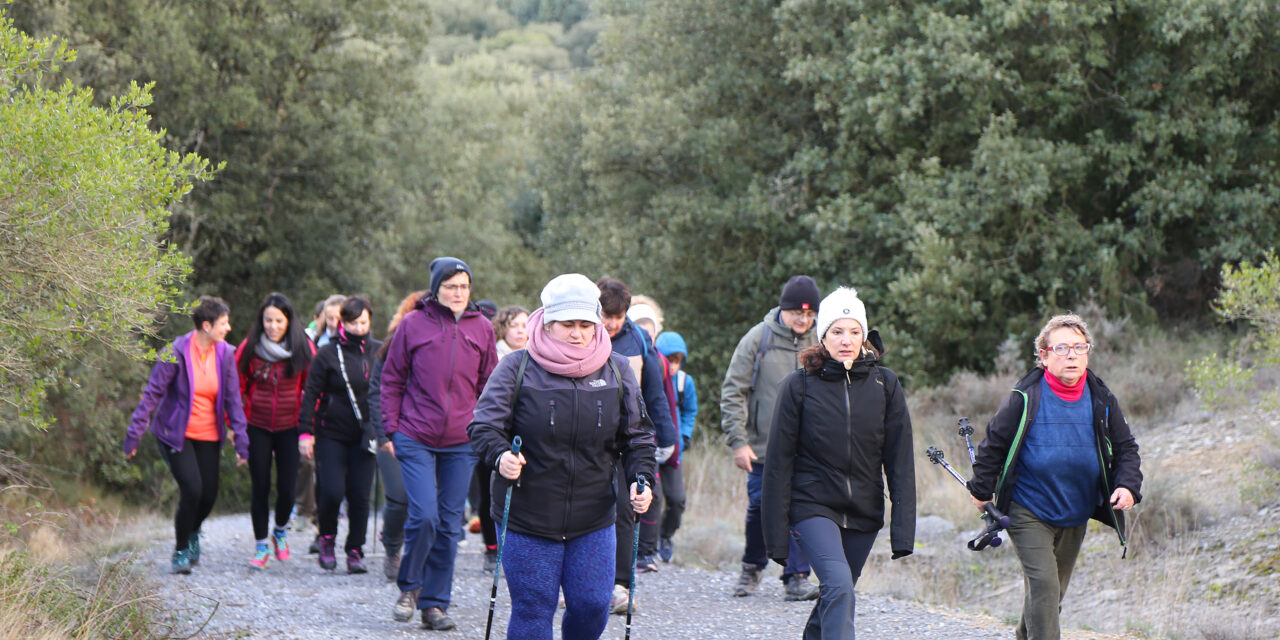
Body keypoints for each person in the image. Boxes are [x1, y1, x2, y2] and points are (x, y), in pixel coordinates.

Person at [468, 274, 657, 640]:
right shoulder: (517, 367)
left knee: (591, 607)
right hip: (528, 516)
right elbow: (482, 428)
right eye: (567, 325)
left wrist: (642, 479)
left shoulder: (617, 370)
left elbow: (638, 437)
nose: (577, 333)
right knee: (533, 610)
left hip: (594, 516)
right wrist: (501, 455)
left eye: (586, 324)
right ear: (547, 322)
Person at [968, 314, 1142, 640]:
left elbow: (1126, 448)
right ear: (1044, 355)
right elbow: (993, 443)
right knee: (1045, 585)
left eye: (1079, 347)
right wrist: (982, 490)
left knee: (1050, 594)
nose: (1072, 355)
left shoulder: (1101, 399)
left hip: (1075, 510)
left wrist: (1127, 485)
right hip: (1027, 507)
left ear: (1088, 353)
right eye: (1061, 348)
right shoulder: (1024, 397)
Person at [762, 287, 916, 639]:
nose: (846, 340)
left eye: (854, 331)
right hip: (812, 505)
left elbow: (900, 461)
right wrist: (775, 536)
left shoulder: (885, 384)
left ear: (864, 335)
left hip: (864, 510)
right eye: (837, 331)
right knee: (840, 587)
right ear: (823, 336)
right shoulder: (798, 386)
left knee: (837, 594)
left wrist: (903, 530)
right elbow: (778, 464)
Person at [382, 257, 499, 631]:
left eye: (464, 286)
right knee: (425, 515)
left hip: (461, 442)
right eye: (451, 286)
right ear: (436, 289)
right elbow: (391, 379)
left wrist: (485, 428)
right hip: (415, 435)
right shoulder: (413, 325)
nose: (458, 293)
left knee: (450, 526)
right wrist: (391, 428)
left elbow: (490, 385)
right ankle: (409, 587)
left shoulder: (481, 328)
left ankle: (434, 605)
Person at [124, 296, 249, 574]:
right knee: (192, 489)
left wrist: (242, 440)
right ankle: (181, 550)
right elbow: (151, 395)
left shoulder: (225, 354)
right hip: (175, 433)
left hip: (209, 434)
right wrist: (134, 434)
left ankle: (193, 532)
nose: (228, 328)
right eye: (223, 323)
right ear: (207, 326)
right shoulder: (176, 351)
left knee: (209, 495)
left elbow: (233, 399)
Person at [720, 275, 823, 600]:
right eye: (797, 313)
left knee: (802, 509)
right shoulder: (758, 338)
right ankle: (752, 567)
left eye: (809, 315)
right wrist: (738, 441)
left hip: (808, 449)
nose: (803, 320)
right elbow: (733, 391)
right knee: (761, 507)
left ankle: (797, 577)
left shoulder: (823, 340)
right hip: (762, 448)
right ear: (783, 309)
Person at [596, 277, 678, 613]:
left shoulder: (640, 339)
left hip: (628, 436)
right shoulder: (583, 335)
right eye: (606, 315)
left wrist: (666, 436)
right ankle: (578, 580)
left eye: (618, 316)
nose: (612, 323)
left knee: (626, 507)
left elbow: (655, 393)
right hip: (588, 436)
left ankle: (621, 586)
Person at [298, 295, 381, 574]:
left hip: (366, 435)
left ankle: (355, 550)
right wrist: (305, 433)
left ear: (370, 321)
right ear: (342, 323)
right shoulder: (327, 354)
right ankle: (327, 538)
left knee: (359, 495)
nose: (359, 328)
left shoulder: (379, 352)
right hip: (331, 433)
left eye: (363, 322)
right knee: (331, 491)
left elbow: (389, 391)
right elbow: (310, 394)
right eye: (353, 323)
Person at [234, 292, 316, 570]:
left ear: (288, 321)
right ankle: (260, 546)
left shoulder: (303, 348)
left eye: (278, 321)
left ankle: (280, 531)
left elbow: (313, 390)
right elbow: (237, 389)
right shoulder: (249, 348)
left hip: (290, 426)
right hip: (256, 425)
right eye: (268, 320)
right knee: (260, 486)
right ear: (261, 321)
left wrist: (309, 426)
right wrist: (235, 427)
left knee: (287, 488)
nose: (272, 326)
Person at [368, 289, 427, 581]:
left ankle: (422, 557)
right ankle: (392, 546)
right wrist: (384, 436)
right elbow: (377, 394)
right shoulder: (391, 346)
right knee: (399, 497)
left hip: (428, 435)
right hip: (393, 432)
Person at [471, 304, 531, 573]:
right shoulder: (492, 355)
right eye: (514, 325)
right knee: (489, 489)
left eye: (524, 325)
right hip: (495, 431)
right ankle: (492, 547)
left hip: (526, 432)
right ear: (503, 329)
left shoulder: (540, 357)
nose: (520, 331)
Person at [625, 296, 679, 573]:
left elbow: (663, 400)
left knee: (651, 493)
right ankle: (629, 555)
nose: (646, 330)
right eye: (640, 324)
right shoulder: (623, 347)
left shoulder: (658, 360)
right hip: (626, 431)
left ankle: (645, 552)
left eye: (650, 325)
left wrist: (669, 437)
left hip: (650, 434)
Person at [296, 293, 347, 549]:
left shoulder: (356, 345)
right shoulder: (314, 343)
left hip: (344, 422)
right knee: (322, 477)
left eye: (338, 319)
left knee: (338, 481)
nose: (334, 324)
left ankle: (334, 531)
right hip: (319, 419)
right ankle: (321, 530)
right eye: (329, 319)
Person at [654, 330, 698, 563]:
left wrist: (685, 434)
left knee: (677, 500)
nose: (672, 365)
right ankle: (646, 546)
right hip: (650, 448)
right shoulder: (649, 377)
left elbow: (690, 411)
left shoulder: (684, 382)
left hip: (674, 451)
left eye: (677, 361)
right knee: (654, 497)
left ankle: (666, 535)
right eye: (669, 359)